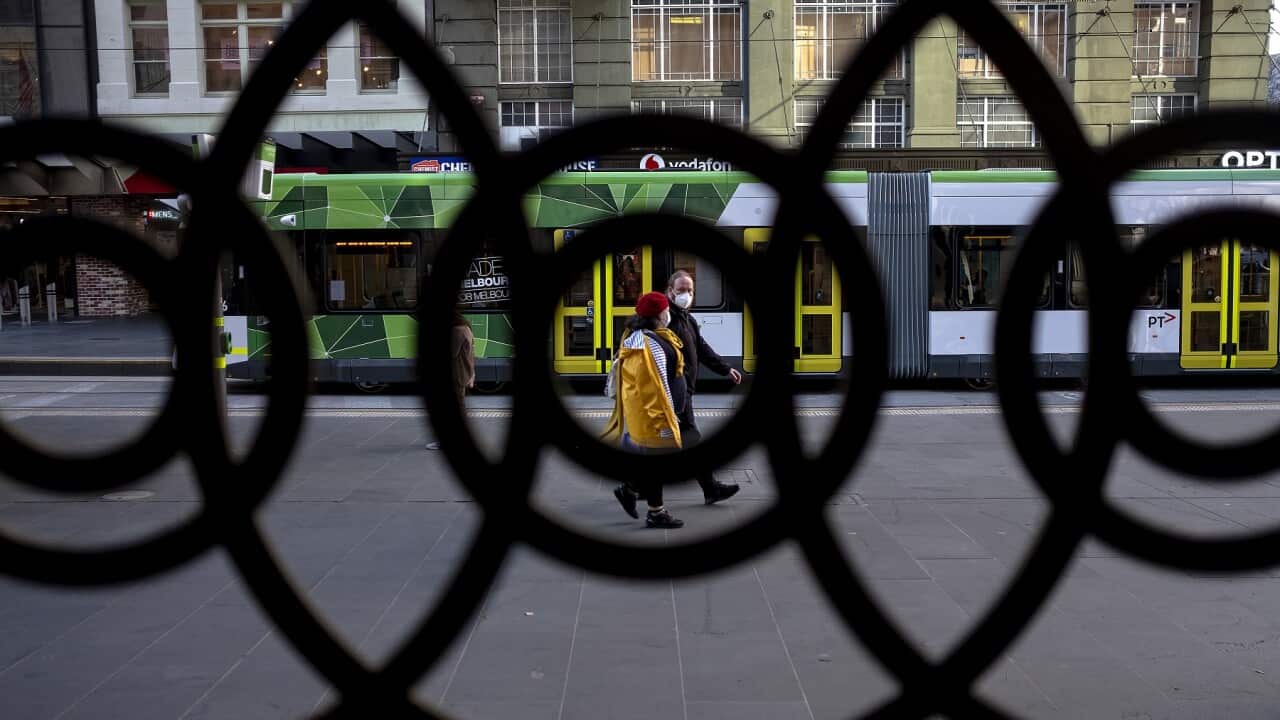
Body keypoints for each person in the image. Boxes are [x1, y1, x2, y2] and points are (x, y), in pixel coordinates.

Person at [601, 291, 686, 529]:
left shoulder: (654, 336)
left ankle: (630, 489)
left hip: (656, 414)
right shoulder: (649, 346)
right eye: (666, 309)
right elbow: (656, 386)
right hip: (656, 415)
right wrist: (668, 417)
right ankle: (655, 512)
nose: (669, 313)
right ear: (660, 314)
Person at [663, 269, 743, 505]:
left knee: (667, 443)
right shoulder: (667, 320)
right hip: (675, 392)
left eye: (690, 290)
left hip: (683, 390)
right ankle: (710, 489)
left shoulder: (687, 318)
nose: (686, 294)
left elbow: (702, 349)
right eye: (681, 290)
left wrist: (725, 369)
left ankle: (634, 487)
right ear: (670, 291)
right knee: (692, 439)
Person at [427, 312, 475, 450]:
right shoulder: (466, 328)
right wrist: (472, 373)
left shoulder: (457, 331)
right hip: (463, 373)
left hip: (456, 374)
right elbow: (472, 353)